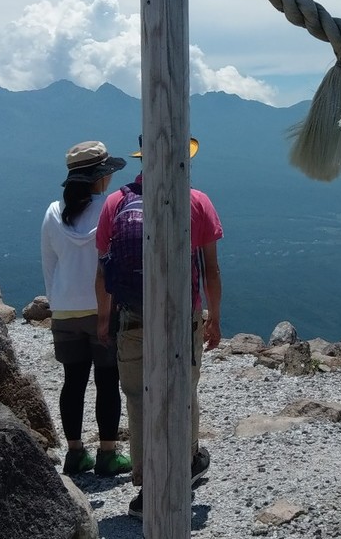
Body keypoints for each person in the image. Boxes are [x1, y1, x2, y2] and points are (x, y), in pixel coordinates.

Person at [97, 136, 222, 517]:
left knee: (138, 398)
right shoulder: (197, 201)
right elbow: (210, 270)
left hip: (133, 318)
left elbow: (103, 271)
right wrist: (214, 317)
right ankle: (185, 467)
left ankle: (148, 487)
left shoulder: (116, 202)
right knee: (185, 390)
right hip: (183, 318)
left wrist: (105, 319)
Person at [43, 141, 132, 478]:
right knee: (107, 380)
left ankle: (75, 452)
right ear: (102, 177)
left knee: (73, 381)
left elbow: (48, 266)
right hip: (103, 307)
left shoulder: (53, 212)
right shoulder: (112, 207)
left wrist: (57, 304)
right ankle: (108, 454)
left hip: (64, 311)